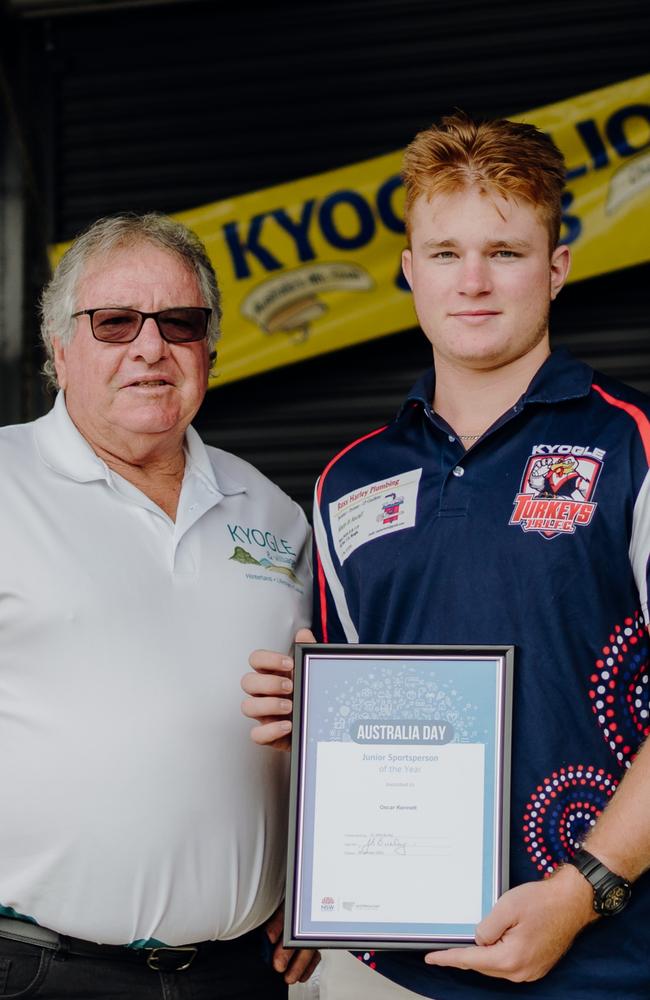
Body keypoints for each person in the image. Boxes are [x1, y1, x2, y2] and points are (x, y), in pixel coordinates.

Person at [241, 113, 650, 1000]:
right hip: (385, 970)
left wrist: (583, 893)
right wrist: (308, 714)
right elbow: (351, 707)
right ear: (408, 272)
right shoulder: (349, 482)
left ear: (557, 268)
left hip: (610, 966)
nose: (472, 282)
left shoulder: (634, 445)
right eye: (443, 253)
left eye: (504, 252)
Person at [0, 213, 319, 999]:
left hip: (241, 974)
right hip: (42, 972)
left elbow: (313, 724)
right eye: (115, 323)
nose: (151, 348)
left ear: (209, 347)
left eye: (179, 322)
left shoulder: (275, 513)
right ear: (60, 349)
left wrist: (322, 884)